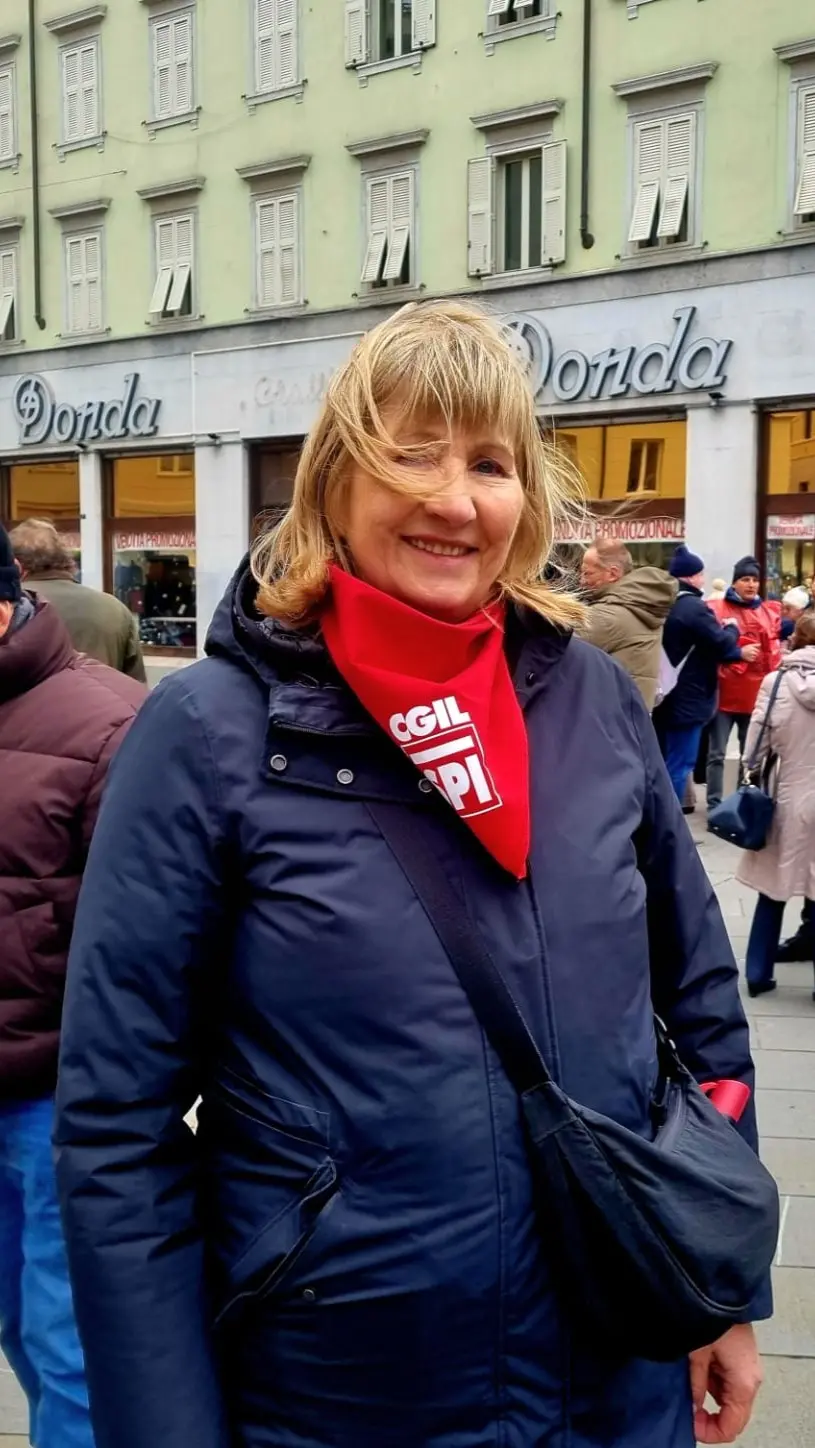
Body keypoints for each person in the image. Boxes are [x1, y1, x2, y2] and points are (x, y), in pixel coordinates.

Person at [55, 302, 767, 1448]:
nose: (453, 498)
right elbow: (115, 1129)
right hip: (339, 1396)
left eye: (488, 463)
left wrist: (721, 1284)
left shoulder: (588, 700)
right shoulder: (206, 734)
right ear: (333, 483)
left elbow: (699, 1006)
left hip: (614, 1379)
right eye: (409, 454)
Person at [0, 522, 145, 1448]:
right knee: (22, 1326)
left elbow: (148, 939)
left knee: (72, 1352)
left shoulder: (113, 725)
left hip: (59, 1098)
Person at [737, 614, 815, 998]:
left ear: (796, 639)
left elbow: (753, 750)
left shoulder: (777, 682)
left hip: (789, 796)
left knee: (772, 889)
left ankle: (758, 972)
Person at [653, 545, 758, 804]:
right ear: (692, 576)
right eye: (701, 574)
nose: (703, 579)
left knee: (665, 762)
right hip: (689, 697)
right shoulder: (693, 607)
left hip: (663, 694)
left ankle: (660, 818)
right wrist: (732, 628)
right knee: (680, 764)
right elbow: (720, 643)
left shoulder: (663, 603)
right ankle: (670, 823)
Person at [10, 518, 147, 682]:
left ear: (16, 566)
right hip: (102, 697)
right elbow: (137, 687)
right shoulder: (114, 609)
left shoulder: (11, 606)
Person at [706, 558, 782, 815]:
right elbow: (710, 647)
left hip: (755, 694)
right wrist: (738, 653)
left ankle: (741, 803)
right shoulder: (717, 609)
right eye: (745, 579)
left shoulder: (769, 612)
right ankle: (714, 804)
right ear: (735, 582)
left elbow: (772, 655)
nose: (751, 584)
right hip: (724, 691)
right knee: (716, 753)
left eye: (754, 580)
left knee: (749, 754)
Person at [580, 538, 677, 710]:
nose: (582, 581)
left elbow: (554, 649)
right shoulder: (640, 601)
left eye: (588, 573)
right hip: (633, 714)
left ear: (613, 573)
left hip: (612, 716)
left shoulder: (610, 614)